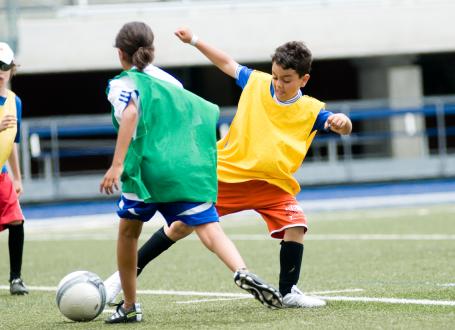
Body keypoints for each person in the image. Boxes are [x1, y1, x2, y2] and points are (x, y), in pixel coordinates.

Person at [105, 26, 352, 309]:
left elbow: (340, 124)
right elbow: (226, 62)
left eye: (286, 79)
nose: (278, 83)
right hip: (227, 174)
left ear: (303, 79)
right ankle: (119, 280)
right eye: (275, 76)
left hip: (273, 184)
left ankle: (288, 292)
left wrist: (343, 122)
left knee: (296, 224)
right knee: (180, 226)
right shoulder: (257, 83)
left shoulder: (312, 110)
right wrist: (195, 41)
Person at [100, 22, 282, 324]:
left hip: (146, 171)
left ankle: (129, 305)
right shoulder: (169, 80)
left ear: (120, 53)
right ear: (151, 50)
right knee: (209, 227)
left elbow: (130, 113)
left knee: (128, 233)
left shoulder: (122, 83)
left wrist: (117, 165)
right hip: (184, 167)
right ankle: (243, 271)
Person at [0, 42, 28, 295]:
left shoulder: (14, 102)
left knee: (17, 221)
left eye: (4, 66)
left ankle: (15, 279)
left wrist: (17, 177)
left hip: (2, 175)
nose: (0, 71)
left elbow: (13, 143)